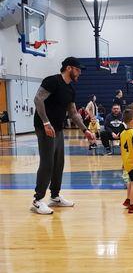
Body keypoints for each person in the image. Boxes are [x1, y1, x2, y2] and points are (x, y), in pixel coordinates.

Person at [31, 56, 95, 215]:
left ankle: (54, 196)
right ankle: (37, 200)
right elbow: (38, 99)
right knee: (47, 162)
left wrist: (85, 130)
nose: (79, 73)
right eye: (78, 70)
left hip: (58, 129)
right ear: (69, 68)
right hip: (45, 127)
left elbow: (73, 114)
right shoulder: (52, 81)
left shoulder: (70, 89)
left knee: (59, 162)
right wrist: (46, 123)